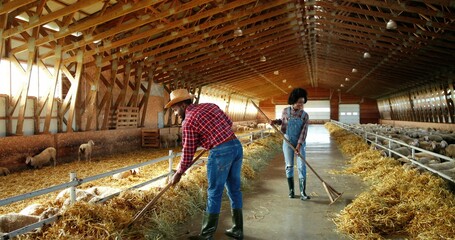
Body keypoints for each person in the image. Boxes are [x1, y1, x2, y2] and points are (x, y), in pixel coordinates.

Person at [166, 89, 244, 240]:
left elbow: (188, 151)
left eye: (175, 109)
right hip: (236, 146)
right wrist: (210, 137)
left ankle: (207, 235)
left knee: (214, 192)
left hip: (220, 153)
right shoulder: (211, 106)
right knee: (235, 190)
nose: (175, 113)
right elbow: (229, 123)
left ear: (182, 104)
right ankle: (238, 229)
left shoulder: (188, 121)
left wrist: (178, 173)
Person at [271, 88, 310, 200]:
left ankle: (303, 192)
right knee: (289, 165)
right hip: (287, 141)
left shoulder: (304, 115)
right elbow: (283, 122)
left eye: (302, 102)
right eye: (299, 102)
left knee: (302, 166)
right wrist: (275, 122)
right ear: (293, 100)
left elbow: (304, 131)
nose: (301, 105)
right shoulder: (285, 111)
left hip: (300, 143)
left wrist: (299, 145)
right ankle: (291, 191)